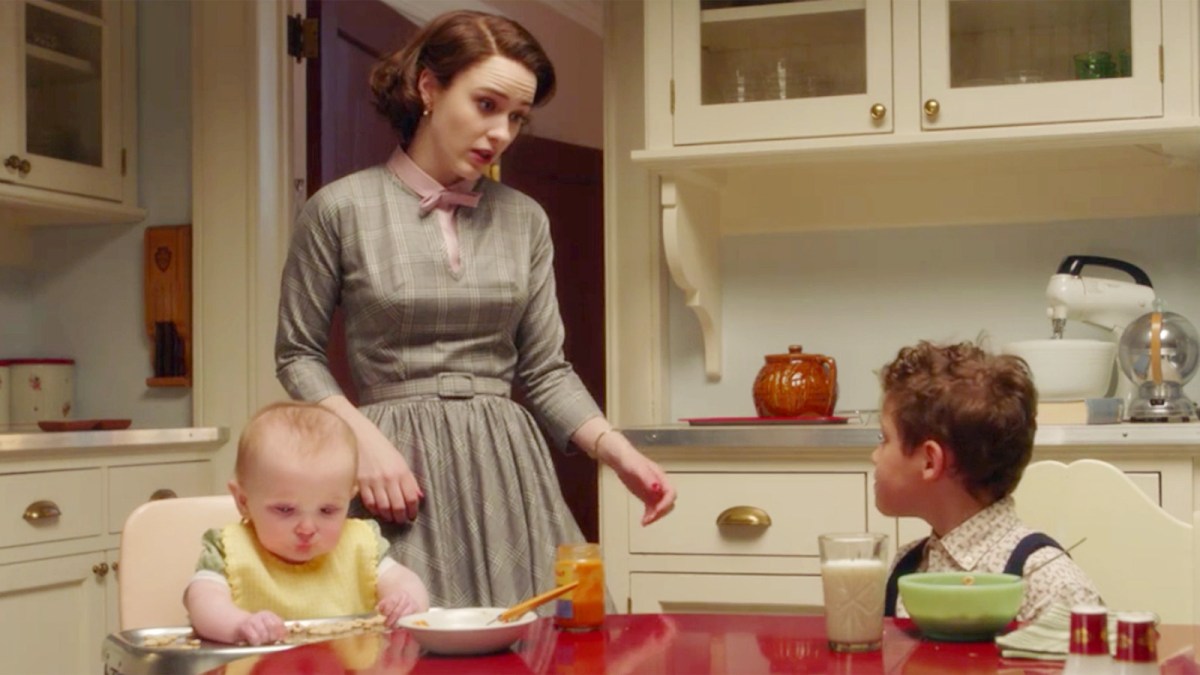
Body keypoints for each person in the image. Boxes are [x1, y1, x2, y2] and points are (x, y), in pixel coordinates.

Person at [275, 10, 676, 611]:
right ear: (429, 88)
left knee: (550, 634)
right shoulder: (338, 209)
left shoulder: (525, 219)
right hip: (394, 471)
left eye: (516, 117)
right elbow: (297, 355)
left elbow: (546, 370)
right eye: (486, 104)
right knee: (406, 637)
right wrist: (361, 444)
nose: (501, 132)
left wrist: (619, 453)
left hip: (507, 467)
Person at [873, 340, 1100, 623]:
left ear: (930, 461)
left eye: (883, 439)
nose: (874, 456)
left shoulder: (1051, 586)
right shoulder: (906, 567)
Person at [184, 402, 430, 645]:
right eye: (285, 510)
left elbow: (404, 580)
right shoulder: (228, 549)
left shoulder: (360, 544)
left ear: (349, 498)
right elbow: (202, 601)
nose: (307, 529)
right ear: (243, 501)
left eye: (327, 510)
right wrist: (238, 624)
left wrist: (406, 601)